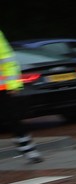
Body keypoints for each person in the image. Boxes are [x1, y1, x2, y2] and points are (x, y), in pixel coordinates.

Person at [0, 29, 43, 164]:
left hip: (2, 88)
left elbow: (8, 60)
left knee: (13, 119)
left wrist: (13, 85)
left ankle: (29, 150)